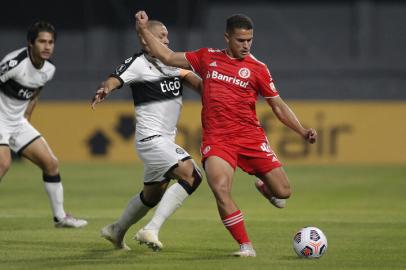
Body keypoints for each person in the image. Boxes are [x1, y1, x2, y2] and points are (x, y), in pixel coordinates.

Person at [135, 11, 318, 257]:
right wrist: (144, 29)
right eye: (240, 40)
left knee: (283, 192)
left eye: (249, 40)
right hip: (218, 140)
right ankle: (246, 246)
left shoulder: (258, 68)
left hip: (250, 137)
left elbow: (278, 105)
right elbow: (166, 56)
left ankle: (265, 187)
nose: (246, 45)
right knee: (220, 188)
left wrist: (302, 130)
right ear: (227, 38)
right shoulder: (206, 57)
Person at [91, 19, 203, 251]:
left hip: (164, 141)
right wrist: (106, 88)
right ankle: (151, 229)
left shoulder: (170, 62)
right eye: (161, 36)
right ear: (145, 39)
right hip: (151, 140)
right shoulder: (138, 63)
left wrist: (215, 89)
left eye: (167, 35)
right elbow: (115, 78)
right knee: (192, 175)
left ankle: (116, 230)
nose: (167, 40)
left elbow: (193, 79)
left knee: (152, 196)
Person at [0, 21, 88, 228]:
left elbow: (35, 94)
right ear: (31, 43)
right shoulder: (14, 63)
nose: (47, 46)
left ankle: (60, 218)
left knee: (51, 164)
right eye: (42, 41)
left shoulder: (48, 70)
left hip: (17, 123)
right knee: (3, 164)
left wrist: (27, 118)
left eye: (50, 42)